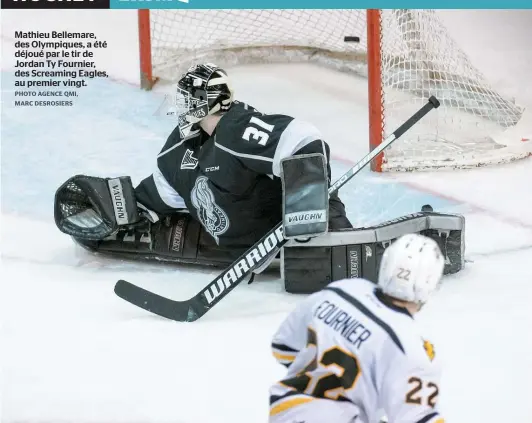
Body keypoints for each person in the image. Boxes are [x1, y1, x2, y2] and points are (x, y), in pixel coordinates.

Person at [54, 63, 465, 291]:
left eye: (185, 102)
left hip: (299, 229)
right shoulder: (175, 151)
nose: (178, 110)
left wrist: (303, 208)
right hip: (238, 243)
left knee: (339, 260)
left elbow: (304, 140)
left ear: (203, 104)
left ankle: (403, 244)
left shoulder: (236, 128)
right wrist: (113, 212)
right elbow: (154, 199)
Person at [269, 233, 445, 423]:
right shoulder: (409, 344)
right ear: (429, 283)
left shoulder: (342, 290)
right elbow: (419, 418)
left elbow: (283, 348)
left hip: (286, 411)